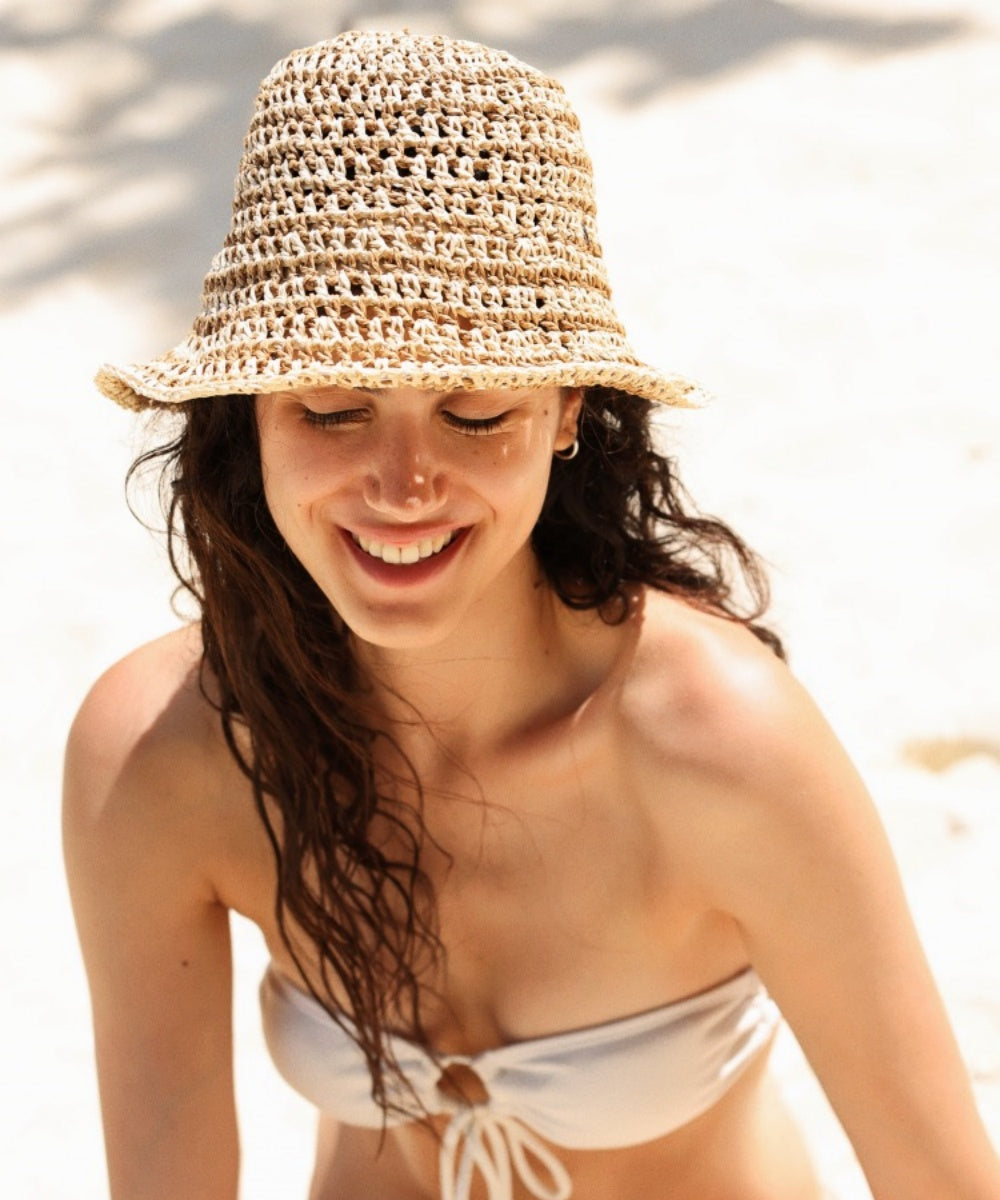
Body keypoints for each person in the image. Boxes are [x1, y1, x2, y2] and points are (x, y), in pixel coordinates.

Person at [63, 29, 999, 1200]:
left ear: (566, 413)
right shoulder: (163, 753)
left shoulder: (717, 743)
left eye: (473, 410)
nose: (403, 487)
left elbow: (942, 1180)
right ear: (249, 410)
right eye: (337, 407)